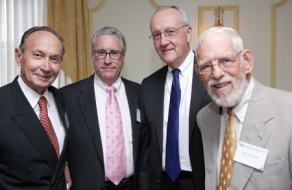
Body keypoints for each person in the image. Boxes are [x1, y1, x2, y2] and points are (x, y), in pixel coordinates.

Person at [195, 27, 292, 189]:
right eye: (206, 66)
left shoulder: (288, 111)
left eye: (225, 60)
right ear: (199, 75)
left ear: (247, 61)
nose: (217, 74)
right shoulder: (204, 118)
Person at [139, 6, 212, 190]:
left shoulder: (212, 76)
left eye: (170, 32)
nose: (163, 41)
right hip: (159, 183)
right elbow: (146, 149)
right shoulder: (149, 85)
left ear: (188, 33)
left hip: (199, 183)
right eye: (156, 35)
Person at [60, 26, 141, 190]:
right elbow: (56, 141)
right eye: (101, 52)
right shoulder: (67, 97)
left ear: (123, 57)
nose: (107, 60)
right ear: (92, 56)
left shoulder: (141, 94)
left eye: (114, 53)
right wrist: (64, 165)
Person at [0, 26, 69, 189]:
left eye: (54, 59)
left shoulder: (64, 99)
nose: (46, 67)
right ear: (19, 56)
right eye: (38, 55)